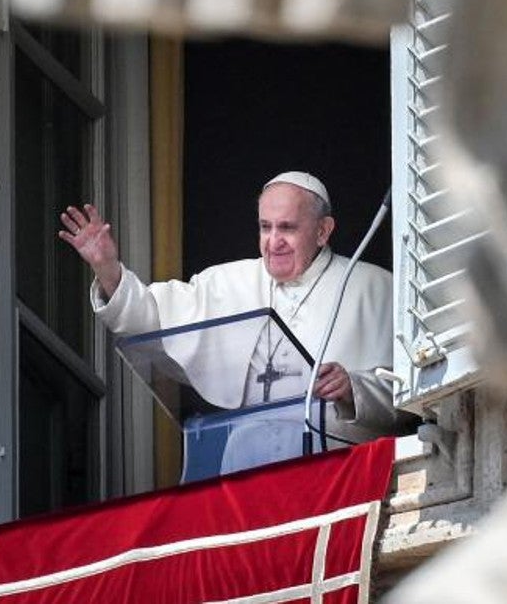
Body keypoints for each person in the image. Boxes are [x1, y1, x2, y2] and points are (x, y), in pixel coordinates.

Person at [59, 171, 413, 473]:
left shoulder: (376, 288)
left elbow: (417, 397)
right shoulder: (228, 283)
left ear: (323, 231)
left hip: (340, 470)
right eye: (265, 227)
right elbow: (149, 313)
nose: (274, 242)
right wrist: (107, 268)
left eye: (287, 228)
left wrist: (355, 389)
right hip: (247, 468)